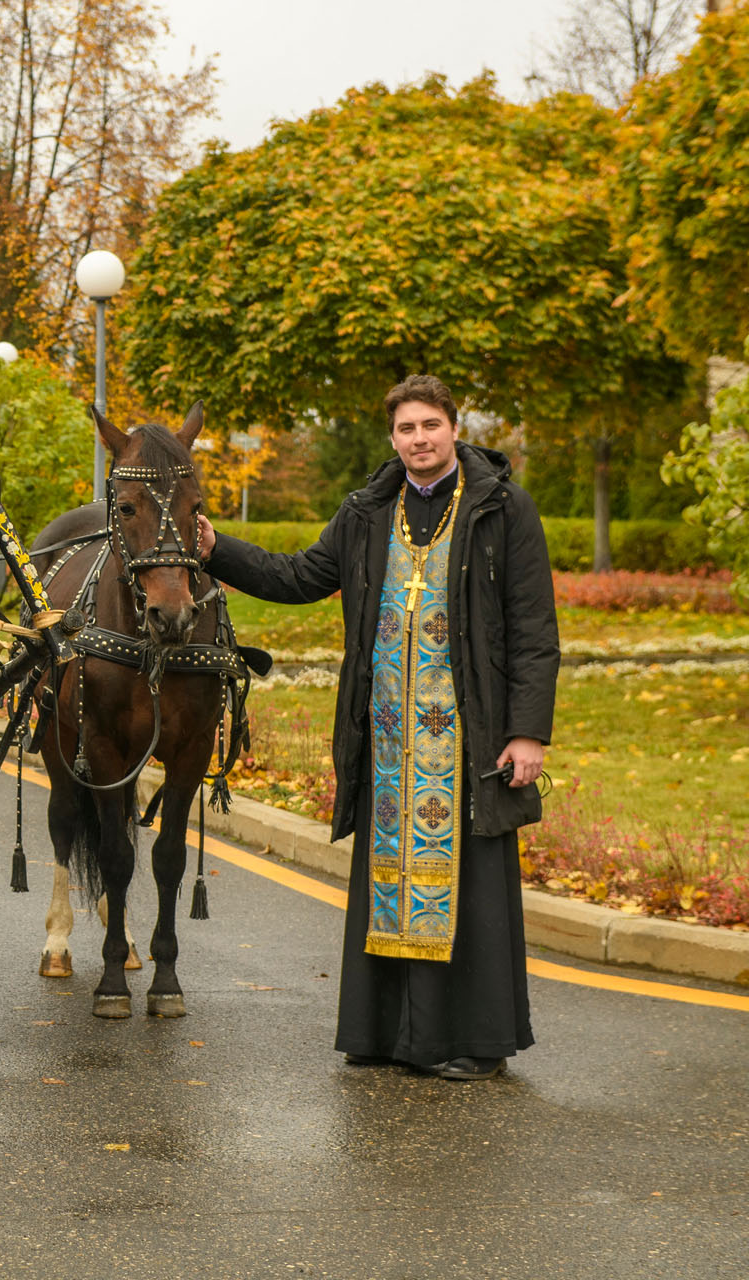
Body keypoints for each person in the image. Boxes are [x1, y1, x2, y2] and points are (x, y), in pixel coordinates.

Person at [193, 375, 559, 1081]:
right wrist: (216, 548)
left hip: (468, 737)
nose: (418, 440)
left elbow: (535, 629)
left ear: (455, 427)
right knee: (387, 880)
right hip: (389, 740)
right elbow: (299, 575)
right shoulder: (367, 510)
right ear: (392, 438)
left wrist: (527, 732)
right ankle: (387, 1033)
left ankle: (473, 1042)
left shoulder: (504, 508)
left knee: (469, 889)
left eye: (430, 426)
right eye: (405, 429)